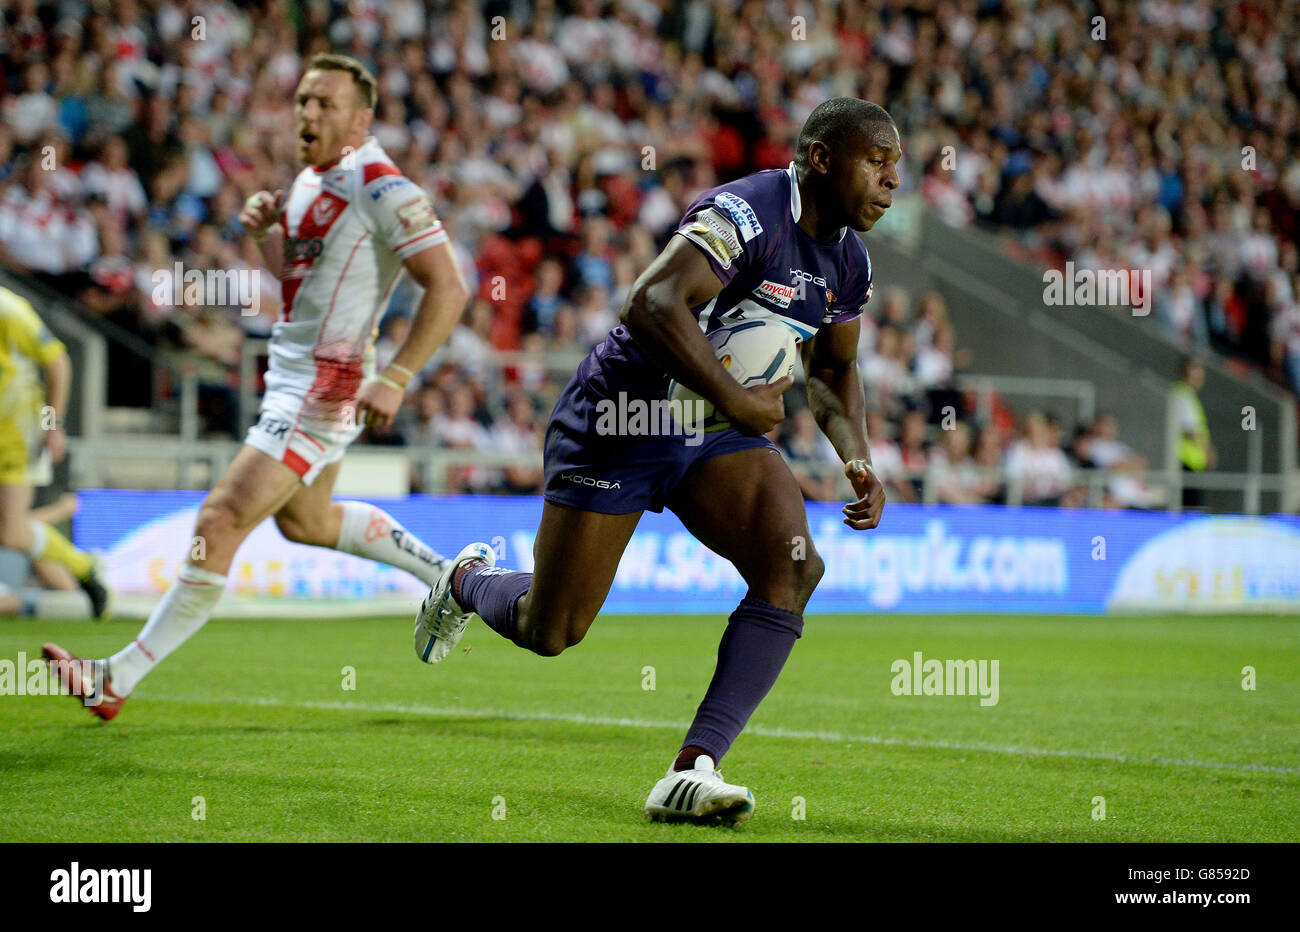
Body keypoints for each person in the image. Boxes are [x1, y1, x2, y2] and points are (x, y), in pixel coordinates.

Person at [414, 97, 894, 825]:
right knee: (553, 630)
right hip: (620, 418)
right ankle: (468, 578)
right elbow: (652, 302)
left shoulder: (849, 263)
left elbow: (831, 372)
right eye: (877, 162)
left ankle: (691, 768)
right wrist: (735, 396)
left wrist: (856, 456)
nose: (891, 180)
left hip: (713, 435)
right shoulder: (745, 214)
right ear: (822, 158)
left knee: (792, 567)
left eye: (898, 168)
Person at [44, 54, 471, 719]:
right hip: (292, 373)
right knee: (308, 522)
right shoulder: (308, 181)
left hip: (327, 384)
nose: (307, 113)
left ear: (361, 118)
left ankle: (115, 677)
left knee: (219, 518)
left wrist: (397, 375)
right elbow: (301, 284)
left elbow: (449, 287)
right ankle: (448, 576)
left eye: (325, 104)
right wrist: (267, 235)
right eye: (303, 100)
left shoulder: (383, 185)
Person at [0, 286, 110, 616]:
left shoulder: (10, 310)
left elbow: (58, 362)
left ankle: (82, 566)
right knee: (11, 530)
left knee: (11, 532)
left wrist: (53, 423)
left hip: (15, 436)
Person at [1172, 357, 1214, 509]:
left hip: (1191, 460)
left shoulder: (1184, 394)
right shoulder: (1183, 395)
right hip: (1187, 460)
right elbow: (1191, 430)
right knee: (1191, 508)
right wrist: (1207, 450)